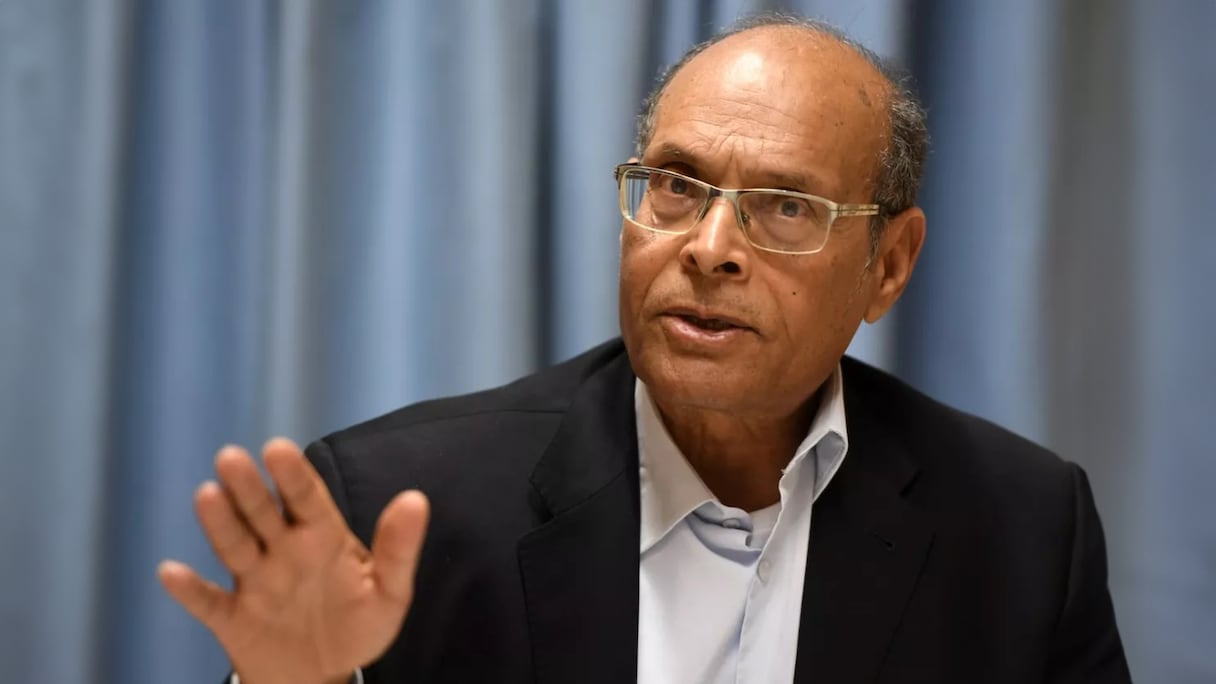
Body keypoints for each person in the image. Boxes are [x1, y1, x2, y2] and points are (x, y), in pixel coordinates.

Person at [158, 14, 1132, 684]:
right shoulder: (392, 509)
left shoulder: (1022, 531)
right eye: (675, 185)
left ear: (889, 264)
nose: (709, 248)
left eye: (784, 208)